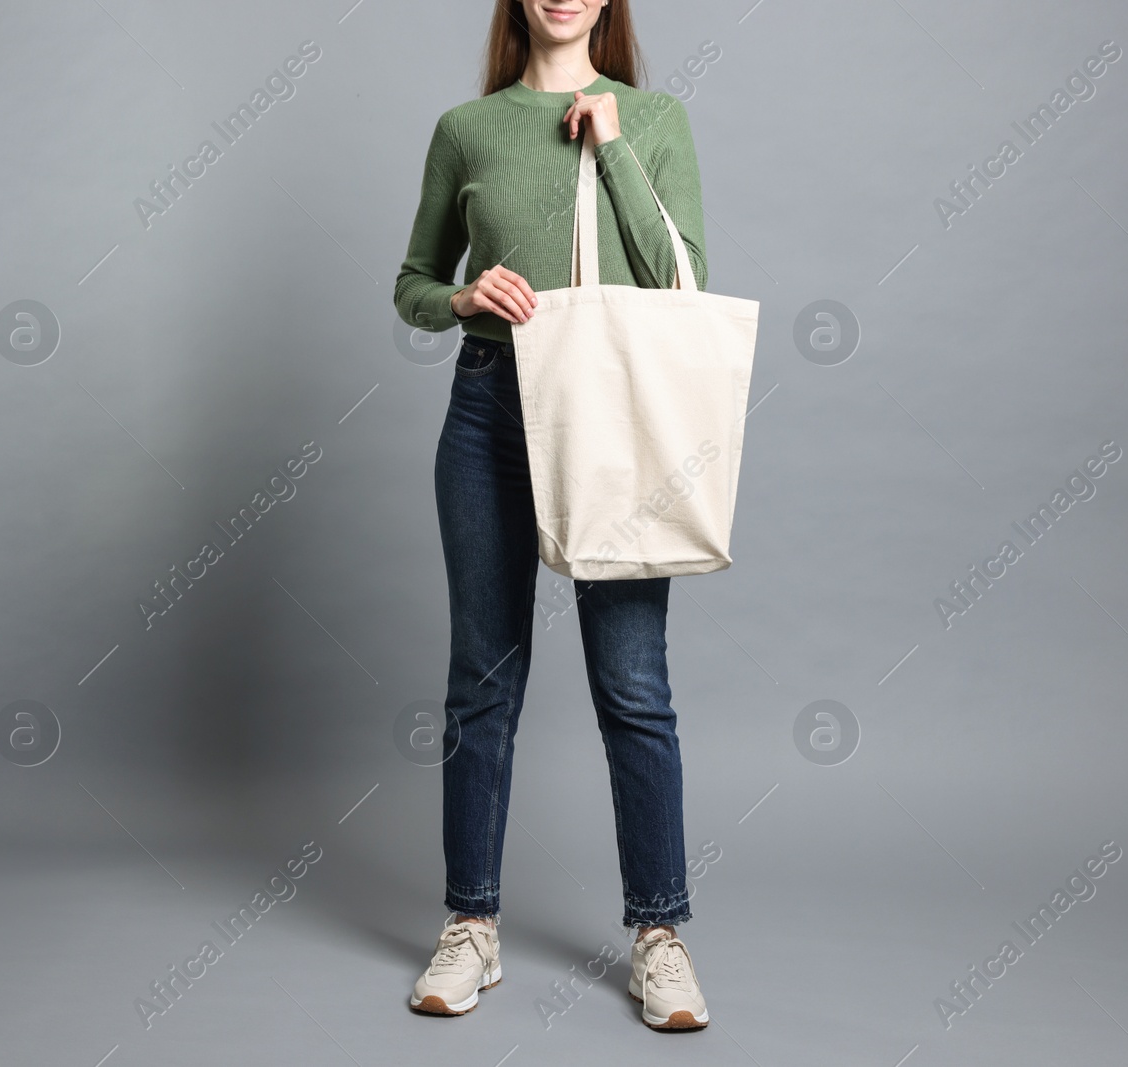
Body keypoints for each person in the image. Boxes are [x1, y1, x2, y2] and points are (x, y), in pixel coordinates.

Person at [392, 0, 712, 1032]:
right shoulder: (467, 129)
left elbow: (679, 279)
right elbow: (409, 284)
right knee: (481, 683)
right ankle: (471, 926)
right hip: (489, 406)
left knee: (633, 682)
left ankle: (659, 935)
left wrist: (612, 149)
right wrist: (463, 299)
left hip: (611, 412)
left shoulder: (653, 116)